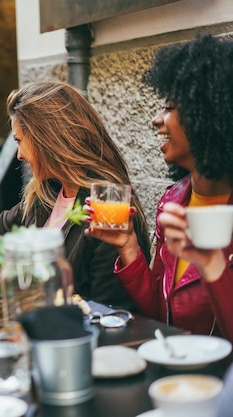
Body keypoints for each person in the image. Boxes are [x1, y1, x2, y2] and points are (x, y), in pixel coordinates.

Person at [85, 34, 233, 342]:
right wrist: (128, 249)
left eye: (169, 107)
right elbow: (161, 315)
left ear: (209, 115)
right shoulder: (173, 201)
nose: (156, 120)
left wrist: (215, 269)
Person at [0, 80, 151, 310]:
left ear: (46, 139)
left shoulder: (105, 208)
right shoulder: (45, 197)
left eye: (19, 141)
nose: (19, 155)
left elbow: (110, 311)